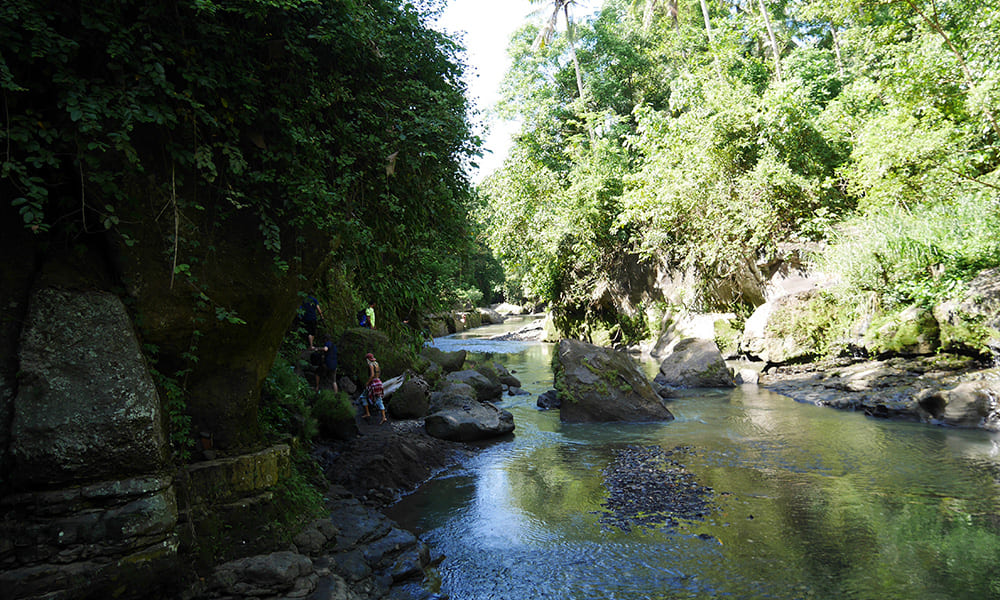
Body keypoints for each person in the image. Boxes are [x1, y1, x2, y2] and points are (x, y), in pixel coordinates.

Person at [361, 352, 386, 424]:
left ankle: (367, 413)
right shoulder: (376, 363)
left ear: (368, 359)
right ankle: (384, 417)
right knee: (379, 399)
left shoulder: (371, 365)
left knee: (363, 396)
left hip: (373, 383)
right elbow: (379, 373)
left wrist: (367, 383)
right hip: (379, 382)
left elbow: (372, 375)